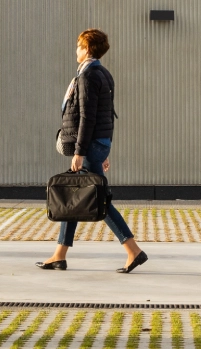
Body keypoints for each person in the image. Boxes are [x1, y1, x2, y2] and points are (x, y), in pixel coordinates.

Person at [38, 29, 148, 274]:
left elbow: (87, 118)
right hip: (99, 143)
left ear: (87, 49)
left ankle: (133, 250)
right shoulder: (103, 74)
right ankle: (60, 254)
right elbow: (107, 115)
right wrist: (105, 148)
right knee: (75, 196)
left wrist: (80, 151)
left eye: (78, 46)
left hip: (89, 145)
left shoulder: (88, 76)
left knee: (96, 199)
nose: (76, 50)